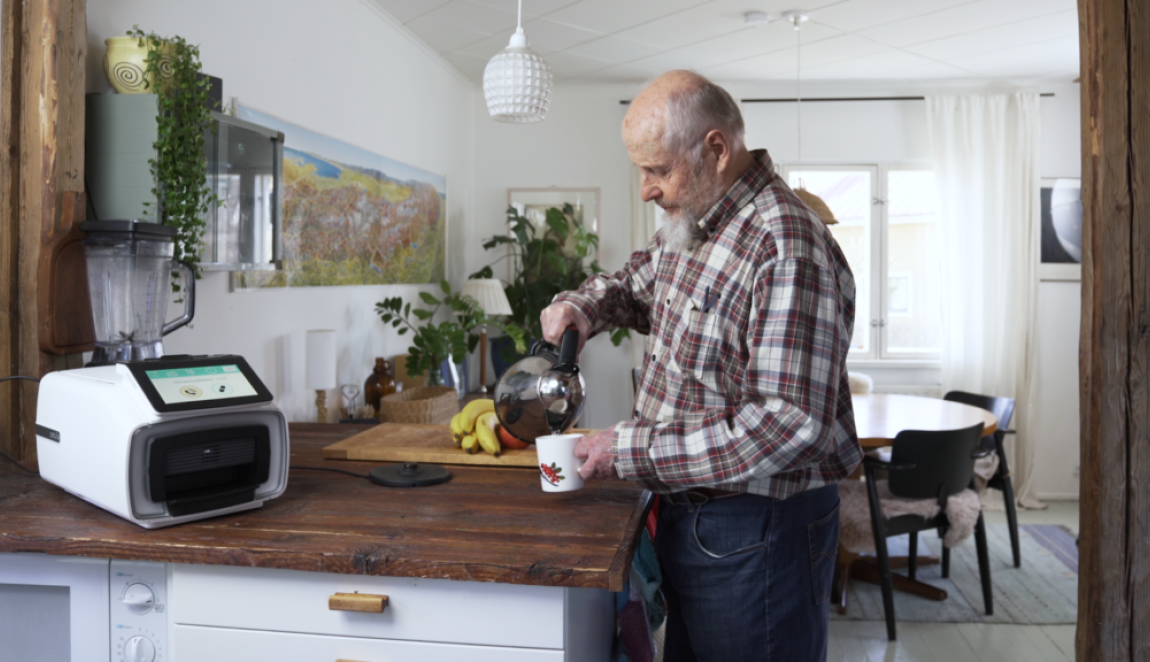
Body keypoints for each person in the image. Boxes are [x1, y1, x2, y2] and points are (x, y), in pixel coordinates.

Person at [539, 70, 861, 662]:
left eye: (657, 170)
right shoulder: (694, 225)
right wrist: (581, 306)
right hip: (697, 522)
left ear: (716, 149)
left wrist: (626, 450)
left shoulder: (785, 242)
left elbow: (788, 424)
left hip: (759, 532)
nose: (645, 190)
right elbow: (636, 284)